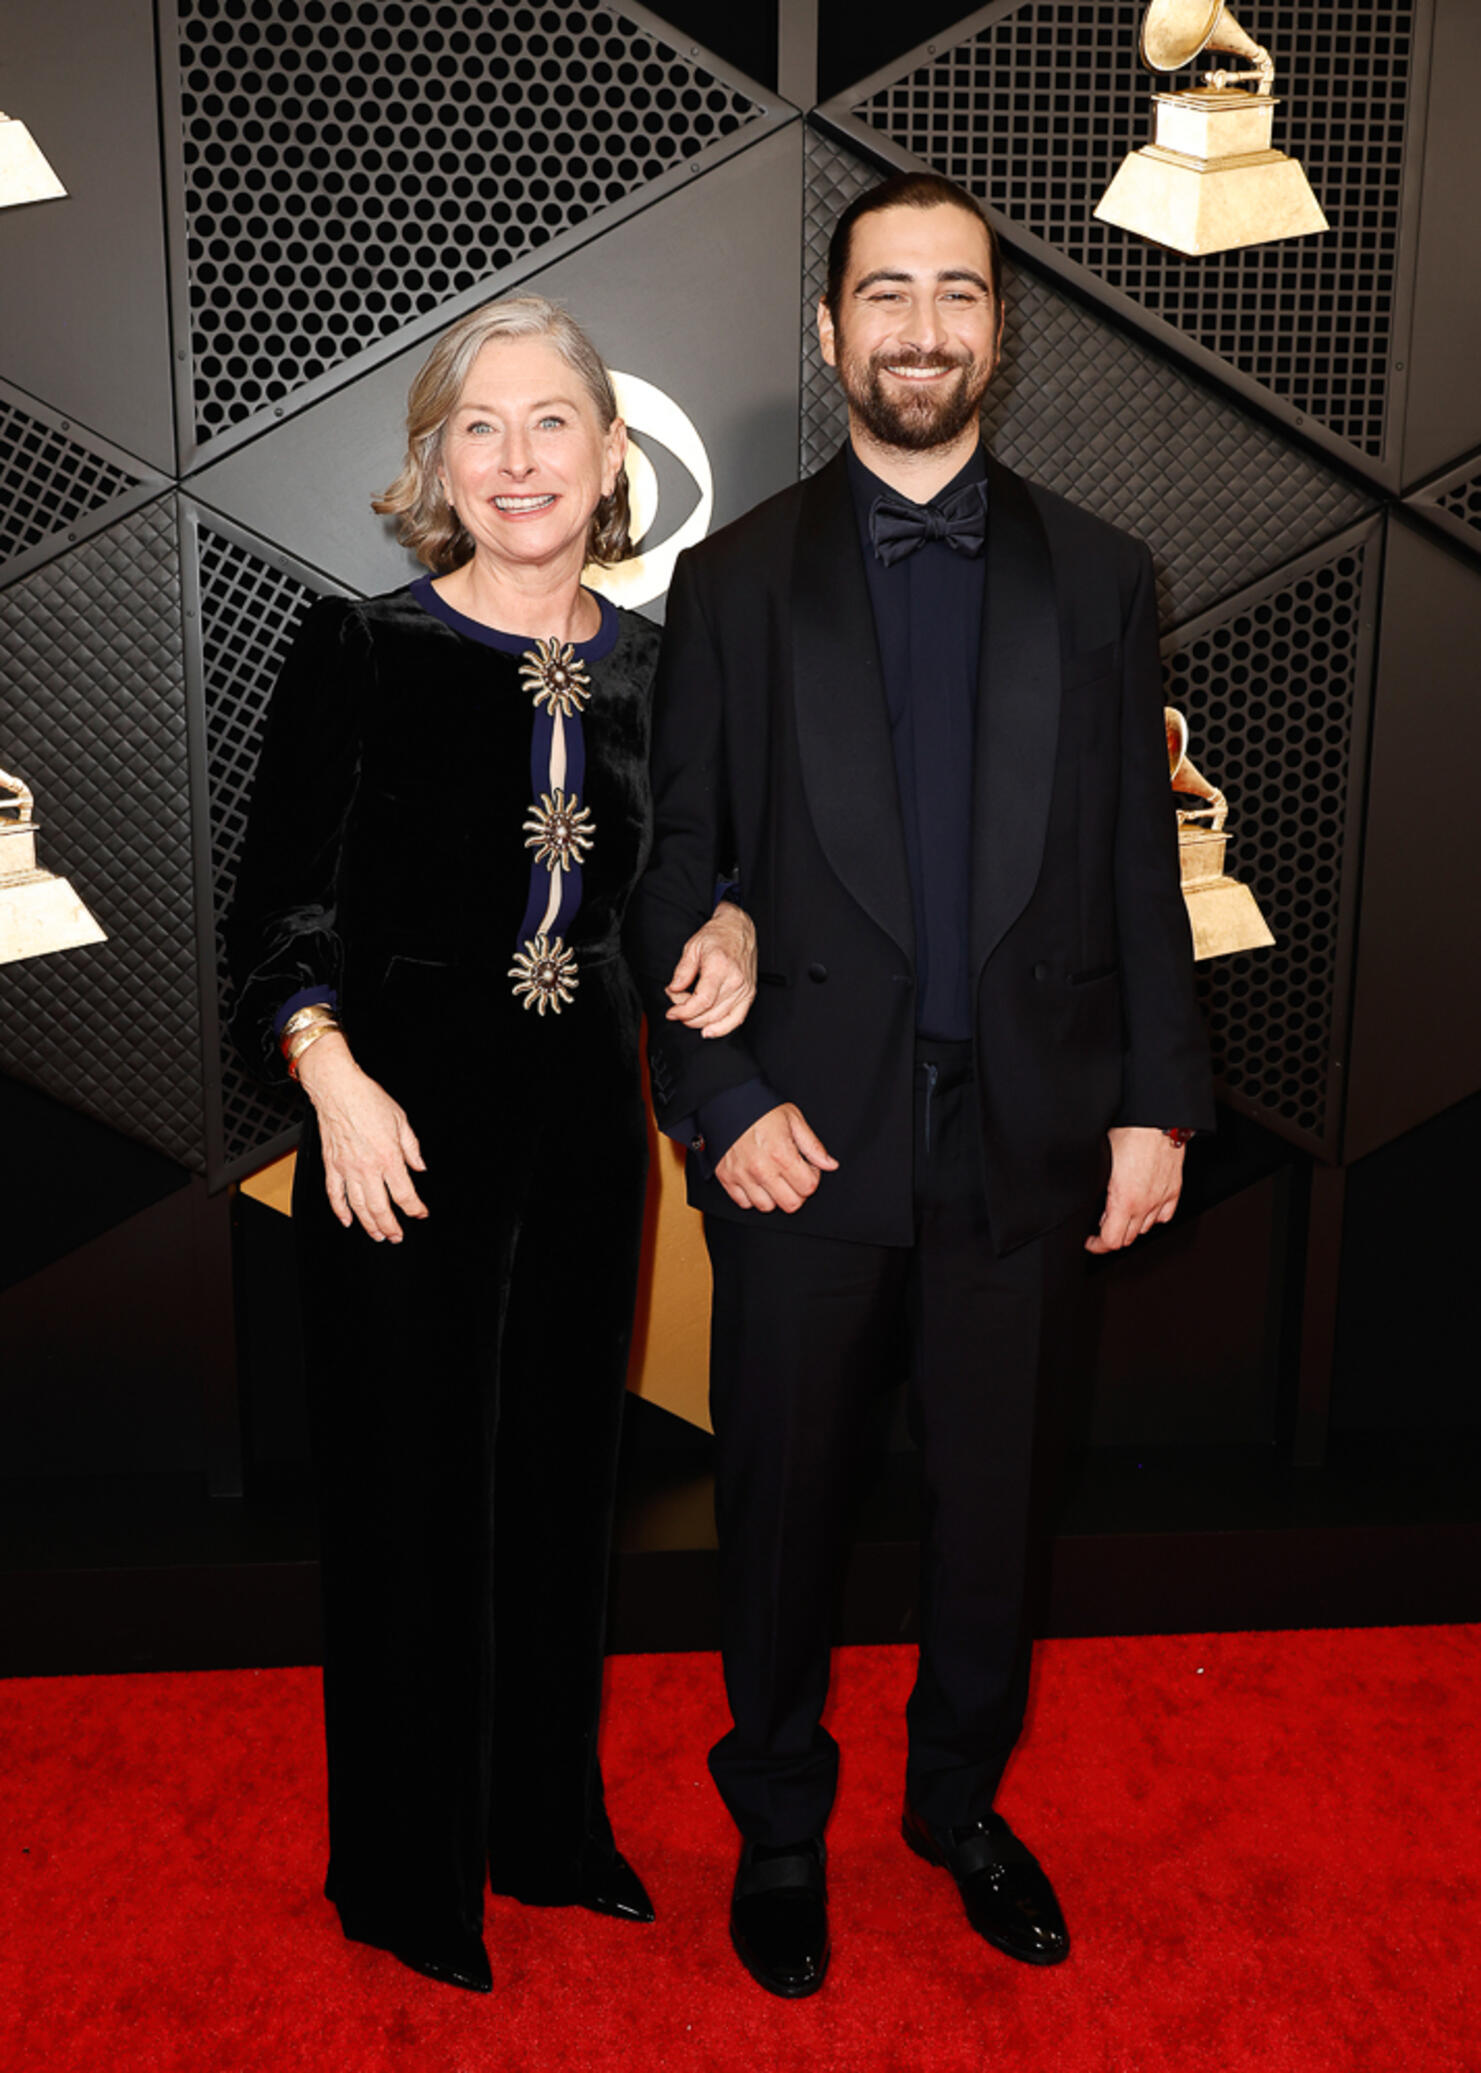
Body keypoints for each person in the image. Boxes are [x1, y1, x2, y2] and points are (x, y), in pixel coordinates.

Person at [627, 172, 1215, 1998]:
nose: (921, 327)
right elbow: (670, 864)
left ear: (997, 332)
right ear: (829, 333)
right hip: (802, 1133)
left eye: (955, 294)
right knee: (784, 1507)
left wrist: (1155, 1102)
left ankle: (955, 1806)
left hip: (1031, 1129)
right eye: (885, 293)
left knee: (991, 1509)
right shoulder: (729, 582)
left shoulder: (1105, 576)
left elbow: (1139, 863)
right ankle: (781, 1824)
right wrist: (720, 1105)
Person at [227, 295, 755, 1995]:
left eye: (552, 425)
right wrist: (332, 1073)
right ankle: (403, 1872)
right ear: (434, 466)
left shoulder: (670, 670)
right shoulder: (359, 651)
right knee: (407, 1502)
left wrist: (733, 921)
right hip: (397, 1130)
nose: (518, 458)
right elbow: (274, 923)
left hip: (591, 1133)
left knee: (557, 1491)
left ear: (612, 458)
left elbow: (701, 878)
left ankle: (543, 1827)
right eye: (481, 426)